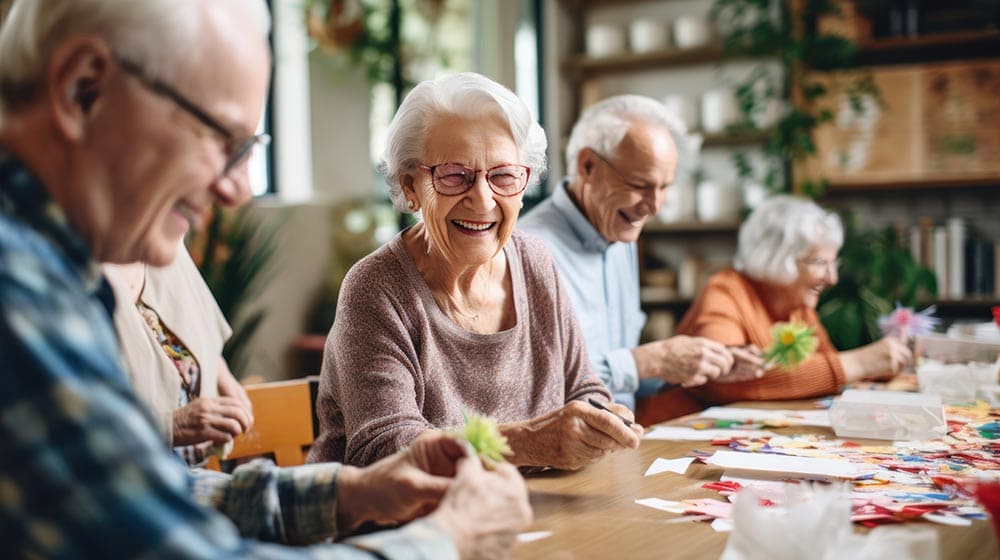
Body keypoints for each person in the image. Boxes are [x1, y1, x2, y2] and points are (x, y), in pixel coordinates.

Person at [0, 1, 531, 557]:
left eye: (249, 149)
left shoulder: (52, 271)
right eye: (220, 138)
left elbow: (134, 494)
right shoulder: (18, 295)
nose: (240, 189)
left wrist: (350, 493)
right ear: (84, 91)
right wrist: (448, 539)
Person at [307, 73, 643, 471]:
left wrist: (600, 420)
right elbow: (384, 447)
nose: (483, 201)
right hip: (400, 525)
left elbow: (583, 389)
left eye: (503, 176)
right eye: (454, 176)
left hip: (525, 514)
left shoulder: (536, 261)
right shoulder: (377, 288)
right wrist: (527, 443)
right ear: (410, 185)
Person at [519, 95, 762, 412]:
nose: (655, 206)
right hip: (559, 457)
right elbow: (534, 384)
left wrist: (688, 367)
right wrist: (647, 361)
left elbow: (621, 374)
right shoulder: (527, 247)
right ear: (587, 166)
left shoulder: (621, 234)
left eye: (664, 187)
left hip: (621, 444)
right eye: (639, 184)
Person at [638, 195, 912, 423]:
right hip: (677, 447)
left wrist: (882, 364)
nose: (832, 279)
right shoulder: (725, 292)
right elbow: (723, 379)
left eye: (834, 264)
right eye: (820, 263)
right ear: (779, 258)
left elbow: (825, 376)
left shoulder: (796, 306)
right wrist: (860, 362)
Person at [103, 248, 255, 466]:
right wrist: (171, 426)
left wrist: (224, 379)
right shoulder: (71, 280)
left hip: (192, 476)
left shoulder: (167, 240)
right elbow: (75, 431)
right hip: (131, 482)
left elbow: (199, 328)